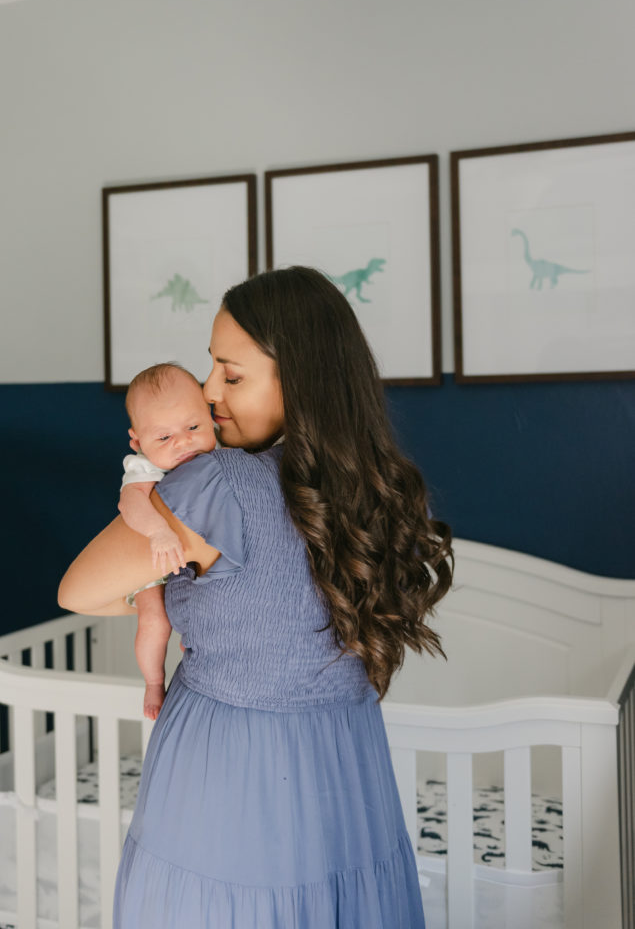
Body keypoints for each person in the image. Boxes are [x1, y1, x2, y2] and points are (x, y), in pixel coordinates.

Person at [58, 266, 453, 929]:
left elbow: (78, 590)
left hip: (231, 777)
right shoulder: (371, 492)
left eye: (230, 375)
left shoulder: (217, 486)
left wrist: (156, 596)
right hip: (347, 773)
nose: (209, 392)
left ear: (297, 380)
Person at [119, 362, 216, 718]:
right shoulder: (145, 466)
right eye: (163, 437)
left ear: (210, 418)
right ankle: (154, 683)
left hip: (192, 560)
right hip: (152, 557)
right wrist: (158, 532)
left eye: (193, 426)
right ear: (138, 441)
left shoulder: (217, 457)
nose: (183, 441)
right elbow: (129, 503)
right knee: (155, 620)